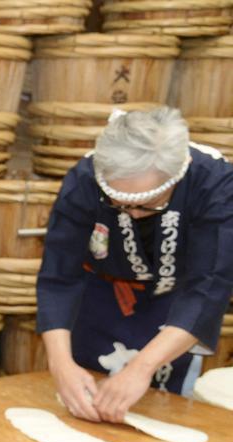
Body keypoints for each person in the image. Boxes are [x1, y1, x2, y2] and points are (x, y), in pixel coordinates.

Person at [36, 107, 233, 423]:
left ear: (176, 176)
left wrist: (142, 367)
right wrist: (60, 364)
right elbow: (59, 276)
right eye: (120, 204)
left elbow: (208, 287)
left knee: (163, 415)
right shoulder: (85, 179)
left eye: (148, 205)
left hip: (175, 309)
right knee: (84, 408)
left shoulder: (214, 184)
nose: (134, 214)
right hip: (100, 299)